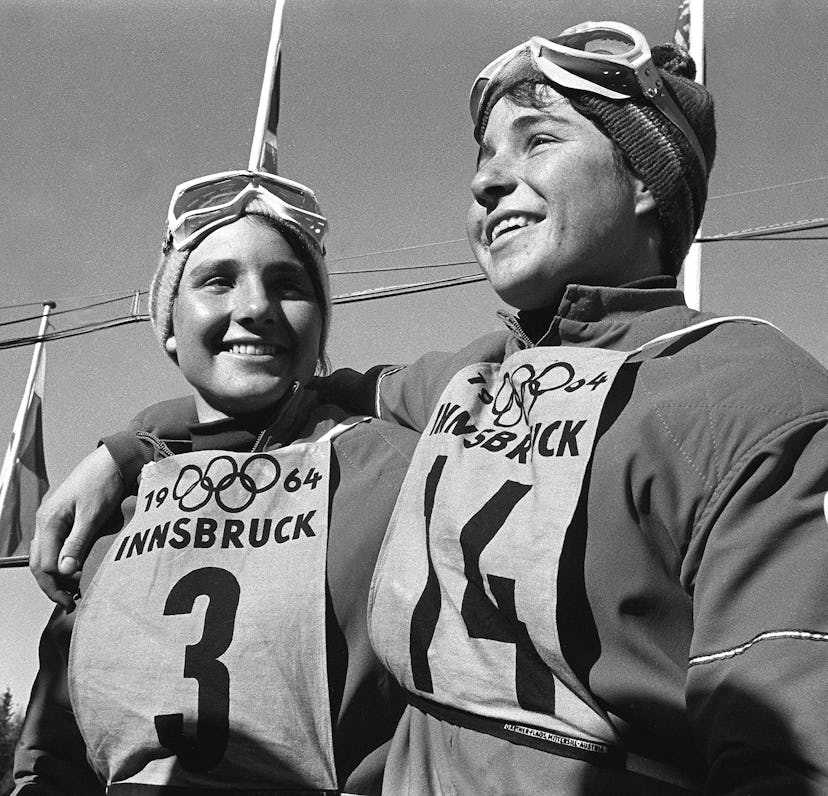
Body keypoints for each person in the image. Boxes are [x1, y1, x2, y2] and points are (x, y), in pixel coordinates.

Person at [30, 21, 828, 794]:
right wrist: (129, 447)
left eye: (539, 140)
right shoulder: (458, 382)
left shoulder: (754, 389)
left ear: (650, 179)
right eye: (484, 157)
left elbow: (790, 746)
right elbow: (288, 389)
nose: (486, 180)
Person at [14, 169, 418, 794]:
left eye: (288, 285)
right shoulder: (106, 514)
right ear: (169, 325)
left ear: (320, 329)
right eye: (217, 281)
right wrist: (129, 450)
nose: (255, 308)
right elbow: (54, 756)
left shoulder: (396, 468)